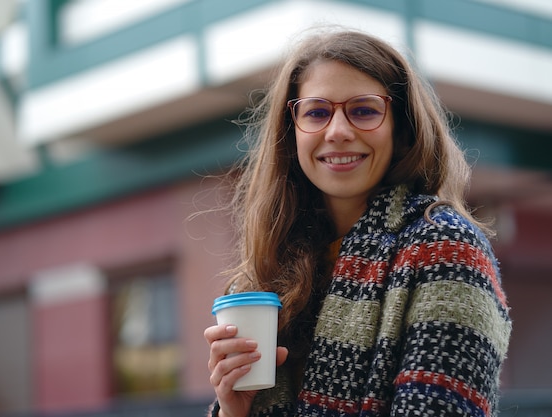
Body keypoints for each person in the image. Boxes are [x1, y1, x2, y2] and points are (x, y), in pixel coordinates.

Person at [203, 27, 512, 417]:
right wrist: (234, 410)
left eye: (364, 110)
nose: (338, 132)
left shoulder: (447, 248)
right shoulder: (262, 276)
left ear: (400, 127)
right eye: (316, 112)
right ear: (291, 131)